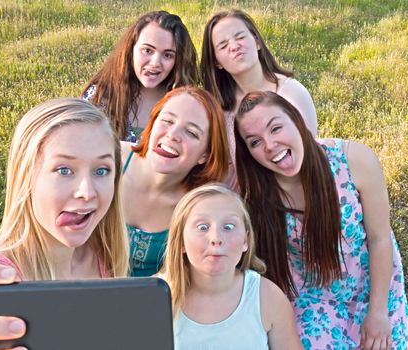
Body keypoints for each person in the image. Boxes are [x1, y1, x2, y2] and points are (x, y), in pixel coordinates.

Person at [234, 91, 408, 349]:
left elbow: (380, 238)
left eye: (276, 128)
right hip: (312, 295)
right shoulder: (257, 194)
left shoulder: (354, 160)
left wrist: (378, 313)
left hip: (371, 286)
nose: (270, 145)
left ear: (296, 120)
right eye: (255, 142)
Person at [0, 98, 129, 347]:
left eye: (102, 170)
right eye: (64, 170)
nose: (87, 192)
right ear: (26, 177)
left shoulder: (103, 255)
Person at [162, 183, 303, 350]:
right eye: (203, 227)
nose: (216, 238)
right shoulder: (154, 296)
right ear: (181, 241)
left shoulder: (267, 297)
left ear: (246, 240)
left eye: (228, 227)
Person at [201, 9, 317, 189]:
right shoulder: (220, 109)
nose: (234, 46)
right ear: (217, 62)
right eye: (223, 46)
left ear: (256, 42)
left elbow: (310, 160)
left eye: (240, 37)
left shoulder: (291, 94)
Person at [121, 86, 229, 276]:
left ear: (204, 155)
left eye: (192, 132)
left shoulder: (199, 207)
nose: (173, 134)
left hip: (147, 301)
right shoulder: (110, 158)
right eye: (167, 121)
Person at [83, 10, 198, 142]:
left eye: (168, 55)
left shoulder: (185, 104)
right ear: (130, 49)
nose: (155, 63)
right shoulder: (99, 96)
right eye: (148, 50)